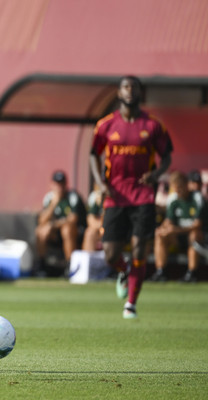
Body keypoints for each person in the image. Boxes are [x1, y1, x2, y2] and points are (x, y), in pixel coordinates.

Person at [90, 75, 173, 319]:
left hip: (142, 195)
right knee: (110, 255)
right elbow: (93, 154)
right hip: (115, 195)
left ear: (140, 93)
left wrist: (156, 174)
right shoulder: (106, 125)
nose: (130, 91)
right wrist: (100, 183)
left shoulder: (153, 125)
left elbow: (167, 156)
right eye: (125, 87)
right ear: (119, 93)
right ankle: (124, 270)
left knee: (139, 249)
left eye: (134, 87)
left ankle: (131, 305)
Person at [152, 171, 205, 283]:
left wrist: (177, 230)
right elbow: (168, 220)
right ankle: (160, 271)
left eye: (180, 188)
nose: (178, 192)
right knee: (160, 235)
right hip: (178, 236)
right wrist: (163, 229)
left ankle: (191, 273)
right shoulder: (174, 199)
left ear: (186, 185)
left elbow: (198, 224)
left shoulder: (196, 198)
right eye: (176, 189)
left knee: (194, 235)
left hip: (194, 235)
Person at [35, 170, 87, 270]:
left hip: (76, 232)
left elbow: (73, 219)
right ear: (52, 184)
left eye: (62, 184)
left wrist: (54, 225)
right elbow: (42, 221)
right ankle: (41, 265)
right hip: (56, 233)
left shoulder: (73, 197)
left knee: (66, 229)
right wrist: (53, 204)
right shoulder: (49, 198)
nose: (59, 187)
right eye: (57, 184)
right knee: (40, 231)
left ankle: (70, 265)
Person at [82, 183, 104, 252]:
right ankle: (89, 258)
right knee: (90, 233)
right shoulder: (98, 199)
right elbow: (91, 220)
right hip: (102, 228)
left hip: (116, 229)